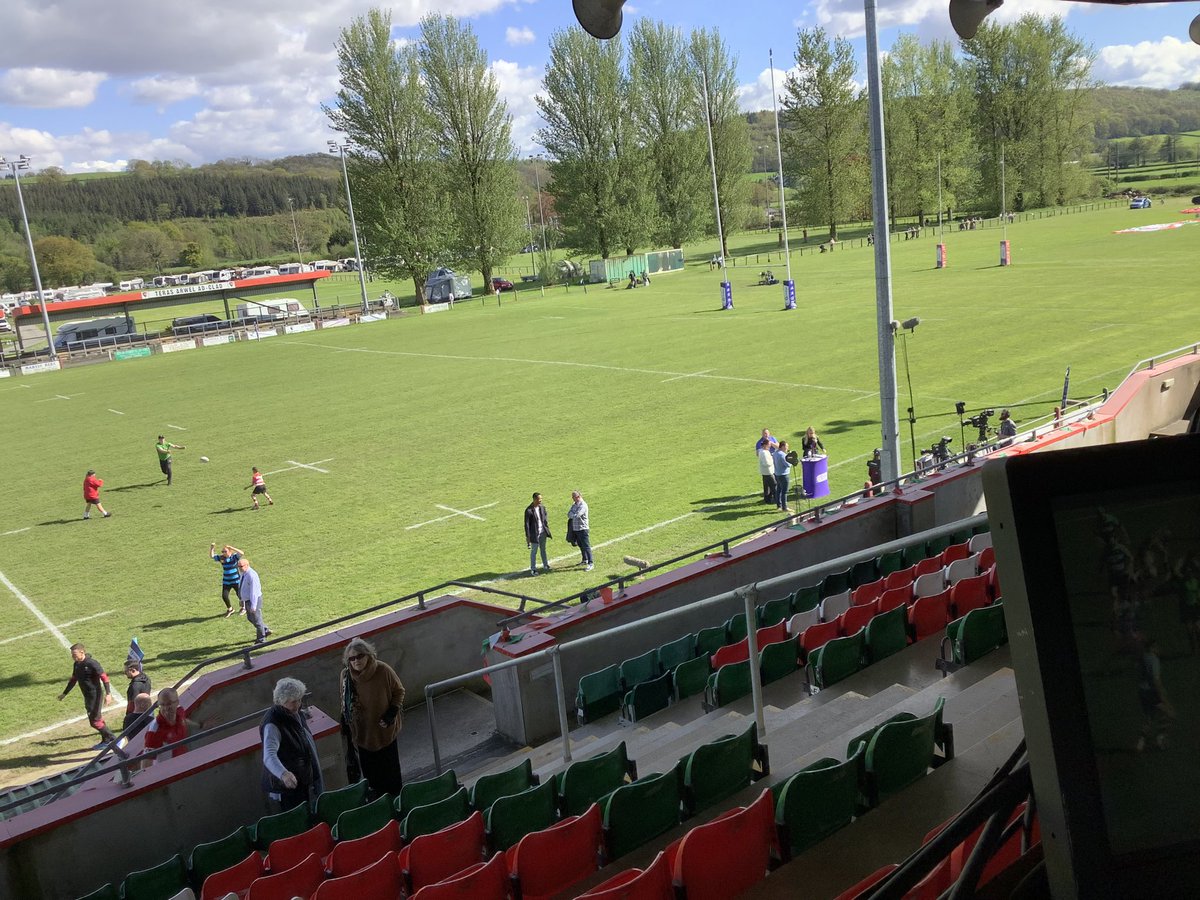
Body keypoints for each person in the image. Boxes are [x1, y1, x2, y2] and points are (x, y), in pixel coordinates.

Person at [339, 637, 405, 797]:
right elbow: (343, 700)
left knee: (391, 776)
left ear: (368, 655)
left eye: (360, 656)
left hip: (385, 733)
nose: (356, 661)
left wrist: (391, 712)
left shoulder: (383, 670)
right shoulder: (346, 676)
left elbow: (399, 691)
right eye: (352, 658)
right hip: (363, 735)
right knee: (372, 779)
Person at [261, 677, 324, 812]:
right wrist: (283, 774)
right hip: (288, 787)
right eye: (293, 702)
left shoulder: (295, 713)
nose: (298, 705)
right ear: (281, 701)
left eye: (300, 700)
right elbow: (268, 755)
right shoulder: (272, 724)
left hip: (303, 779)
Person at [58, 643, 119, 748]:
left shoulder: (92, 663)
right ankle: (106, 740)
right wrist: (65, 693)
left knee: (95, 722)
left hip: (96, 695)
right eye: (72, 655)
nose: (73, 657)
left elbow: (104, 677)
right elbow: (73, 679)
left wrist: (108, 694)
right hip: (87, 696)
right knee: (96, 719)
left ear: (82, 652)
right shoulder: (76, 664)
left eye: (74, 654)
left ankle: (114, 739)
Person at [143, 688, 199, 765]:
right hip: (169, 771)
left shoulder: (179, 711)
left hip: (185, 761)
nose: (166, 708)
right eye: (162, 704)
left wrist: (201, 725)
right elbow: (146, 761)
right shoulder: (154, 731)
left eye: (169, 703)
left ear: (177, 703)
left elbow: (183, 720)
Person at [238, 557, 271, 644]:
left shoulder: (251, 575)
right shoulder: (243, 573)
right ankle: (265, 630)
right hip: (247, 600)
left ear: (247, 565)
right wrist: (242, 599)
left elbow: (254, 592)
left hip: (253, 600)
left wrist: (253, 605)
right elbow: (243, 587)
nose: (239, 568)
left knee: (257, 620)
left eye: (241, 566)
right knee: (250, 618)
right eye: (238, 566)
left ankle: (261, 639)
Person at [211, 543, 245, 617]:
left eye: (225, 551)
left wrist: (231, 547)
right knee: (224, 596)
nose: (223, 553)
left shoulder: (234, 557)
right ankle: (230, 609)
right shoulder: (221, 558)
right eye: (222, 551)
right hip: (226, 581)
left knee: (240, 595)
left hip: (236, 580)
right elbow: (212, 556)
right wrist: (212, 548)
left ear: (230, 551)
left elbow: (242, 553)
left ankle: (244, 608)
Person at [524, 492, 552, 576]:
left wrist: (546, 528)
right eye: (539, 499)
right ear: (534, 499)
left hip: (542, 532)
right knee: (534, 551)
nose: (541, 500)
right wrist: (528, 536)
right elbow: (526, 524)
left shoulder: (542, 508)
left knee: (543, 549)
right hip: (534, 534)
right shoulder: (528, 510)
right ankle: (533, 569)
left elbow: (545, 518)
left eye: (541, 499)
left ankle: (545, 565)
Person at [122, 658, 151, 733]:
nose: (125, 673)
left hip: (138, 716)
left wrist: (128, 717)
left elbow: (132, 705)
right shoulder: (146, 678)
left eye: (126, 671)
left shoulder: (134, 686)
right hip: (149, 710)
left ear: (133, 670)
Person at [568, 491, 593, 571]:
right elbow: (569, 514)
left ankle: (591, 563)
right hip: (576, 528)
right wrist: (573, 515)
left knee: (586, 546)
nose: (572, 498)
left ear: (578, 497)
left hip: (583, 528)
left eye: (573, 497)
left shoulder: (583, 505)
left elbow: (577, 515)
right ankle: (584, 559)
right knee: (580, 545)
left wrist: (573, 514)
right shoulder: (574, 505)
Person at [773, 441, 792, 512]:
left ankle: (779, 505)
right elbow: (788, 465)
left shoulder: (775, 453)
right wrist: (791, 457)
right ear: (783, 447)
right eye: (786, 446)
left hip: (777, 474)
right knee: (784, 491)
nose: (787, 448)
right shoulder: (782, 455)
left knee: (778, 490)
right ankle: (785, 507)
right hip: (784, 475)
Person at [757, 439, 777, 505]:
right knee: (774, 485)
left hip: (765, 472)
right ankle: (776, 499)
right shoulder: (763, 453)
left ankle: (767, 500)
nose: (769, 446)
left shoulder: (763, 451)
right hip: (768, 472)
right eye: (769, 445)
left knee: (767, 487)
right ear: (765, 445)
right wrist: (772, 460)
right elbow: (766, 463)